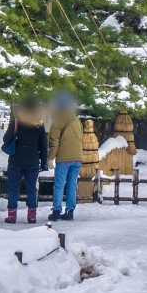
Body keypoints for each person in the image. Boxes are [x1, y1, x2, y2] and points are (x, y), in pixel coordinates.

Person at [2, 101, 48, 225]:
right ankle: (31, 217)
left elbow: (6, 139)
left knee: (13, 188)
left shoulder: (16, 122)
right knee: (32, 188)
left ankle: (12, 216)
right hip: (32, 161)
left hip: (16, 160)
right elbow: (43, 146)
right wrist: (44, 162)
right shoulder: (39, 125)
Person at [45, 91, 82, 221]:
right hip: (78, 158)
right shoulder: (77, 121)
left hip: (64, 158)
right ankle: (70, 211)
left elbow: (54, 143)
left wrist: (50, 158)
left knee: (59, 185)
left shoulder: (57, 122)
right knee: (72, 185)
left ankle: (56, 211)